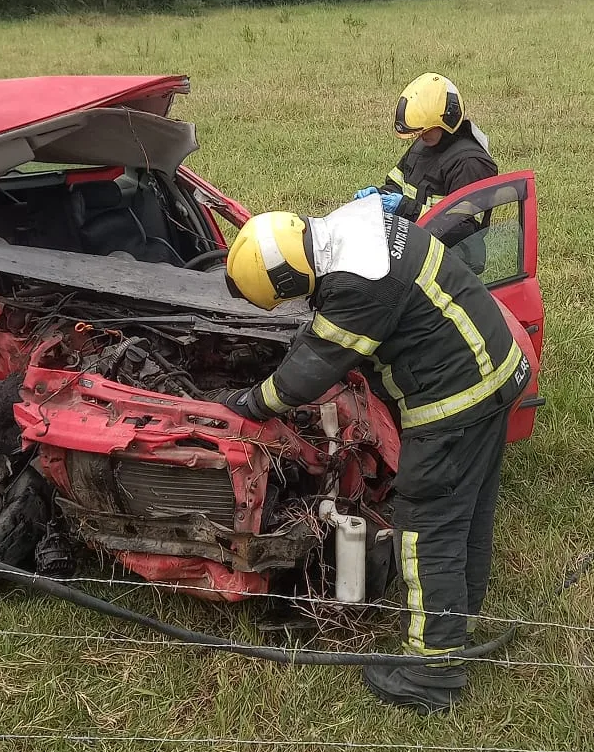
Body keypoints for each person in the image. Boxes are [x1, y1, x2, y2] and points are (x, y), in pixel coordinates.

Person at [220, 195, 530, 714]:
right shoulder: (354, 229)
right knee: (467, 509)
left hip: (456, 399)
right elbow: (325, 327)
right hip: (495, 373)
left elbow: (309, 371)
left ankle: (432, 671)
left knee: (426, 526)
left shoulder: (359, 285)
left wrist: (249, 404)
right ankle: (459, 613)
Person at [357, 76, 497, 270]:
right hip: (417, 249)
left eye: (427, 129)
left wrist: (404, 208)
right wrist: (380, 196)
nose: (421, 135)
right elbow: (397, 183)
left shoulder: (470, 164)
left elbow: (464, 231)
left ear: (447, 120)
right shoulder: (423, 145)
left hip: (453, 265)